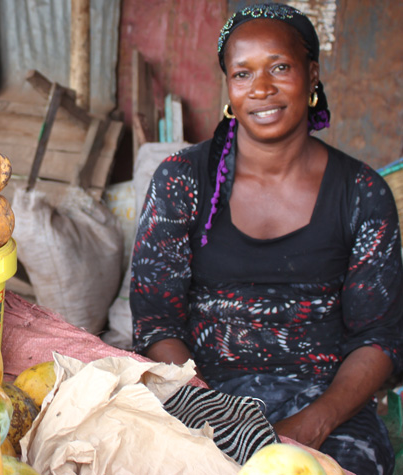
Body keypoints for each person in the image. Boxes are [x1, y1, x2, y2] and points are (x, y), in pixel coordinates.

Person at [129, 4, 403, 474]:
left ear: (312, 74)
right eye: (242, 74)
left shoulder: (361, 194)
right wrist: (214, 414)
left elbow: (378, 339)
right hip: (201, 395)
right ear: (228, 88)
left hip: (326, 405)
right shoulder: (182, 180)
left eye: (280, 67)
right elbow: (156, 324)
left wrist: (312, 423)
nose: (261, 89)